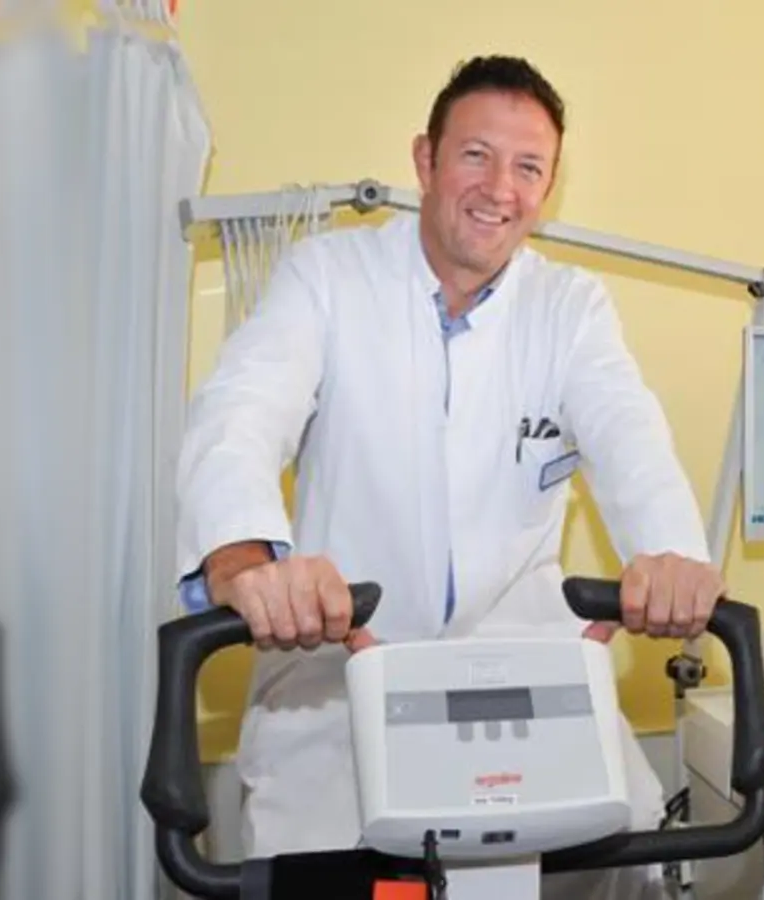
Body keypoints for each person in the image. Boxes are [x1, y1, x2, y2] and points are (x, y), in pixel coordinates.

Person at [173, 55, 722, 898]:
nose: (500, 187)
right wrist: (244, 563)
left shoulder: (570, 308)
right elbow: (241, 414)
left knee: (630, 844)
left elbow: (631, 437)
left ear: (549, 186)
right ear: (425, 161)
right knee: (315, 865)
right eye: (476, 155)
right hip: (340, 682)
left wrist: (673, 557)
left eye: (528, 166)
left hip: (524, 679)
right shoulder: (328, 277)